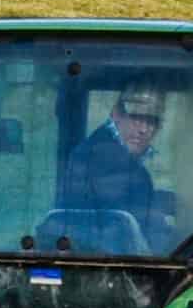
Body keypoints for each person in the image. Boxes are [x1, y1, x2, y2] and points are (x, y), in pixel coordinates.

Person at [58, 81, 167, 247]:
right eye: (136, 117)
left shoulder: (125, 163)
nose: (143, 129)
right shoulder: (101, 157)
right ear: (116, 114)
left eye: (152, 121)